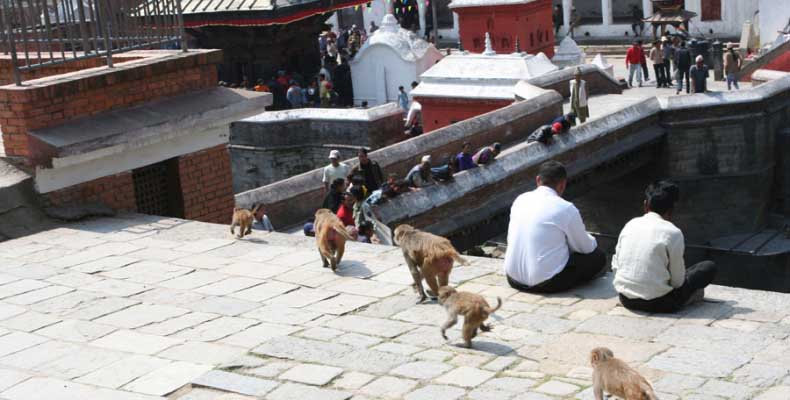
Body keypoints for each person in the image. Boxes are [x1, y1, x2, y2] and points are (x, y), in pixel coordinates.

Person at [612, 181, 717, 313]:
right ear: (671, 210)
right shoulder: (673, 232)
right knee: (708, 267)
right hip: (660, 302)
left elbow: (616, 265)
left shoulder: (630, 224)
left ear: (645, 205)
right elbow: (677, 282)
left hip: (626, 299)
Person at [503, 161, 606, 293]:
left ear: (538, 180)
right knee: (598, 257)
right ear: (563, 184)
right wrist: (591, 239)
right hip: (546, 283)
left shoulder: (520, 199)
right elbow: (585, 247)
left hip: (513, 278)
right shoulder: (566, 208)